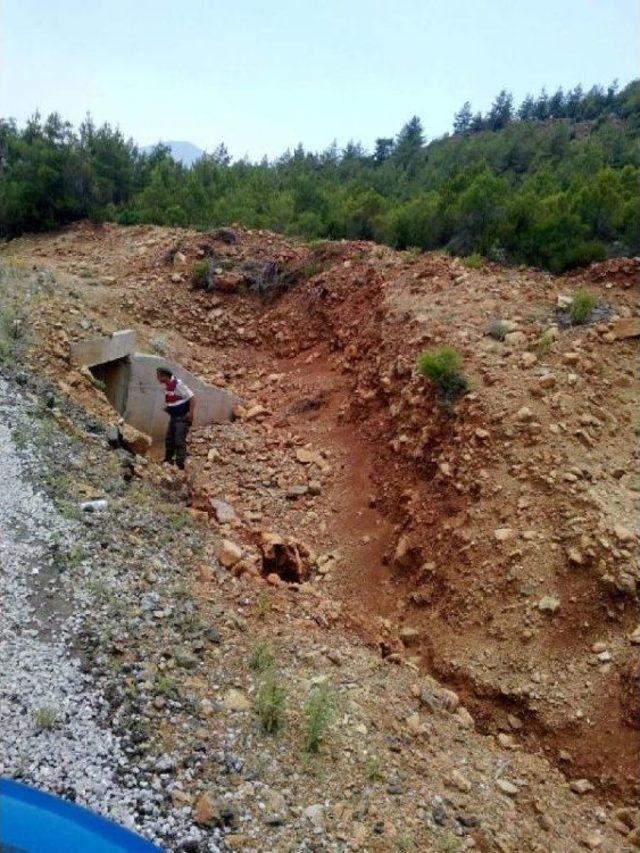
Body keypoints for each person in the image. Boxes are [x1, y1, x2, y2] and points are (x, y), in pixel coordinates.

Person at [156, 367, 195, 469]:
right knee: (169, 440)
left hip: (181, 418)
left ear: (164, 376)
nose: (157, 378)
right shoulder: (169, 386)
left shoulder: (178, 384)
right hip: (174, 418)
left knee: (179, 440)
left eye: (159, 376)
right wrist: (169, 408)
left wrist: (191, 414)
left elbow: (192, 398)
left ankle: (180, 464)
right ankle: (168, 460)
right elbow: (175, 400)